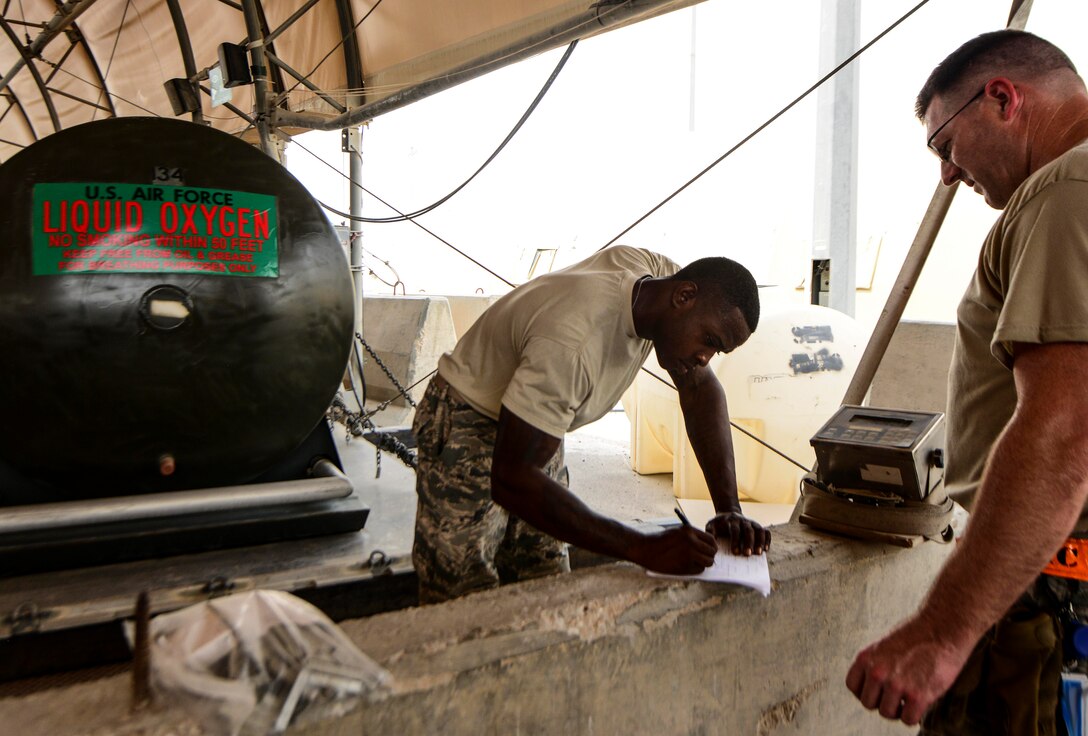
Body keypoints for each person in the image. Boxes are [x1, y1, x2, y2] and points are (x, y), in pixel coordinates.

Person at [846, 30, 1088, 733]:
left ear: (1003, 99)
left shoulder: (1066, 188)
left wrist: (942, 633)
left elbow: (1063, 431)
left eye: (945, 145)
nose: (948, 175)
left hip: (1046, 603)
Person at [411, 244, 770, 603]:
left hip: (535, 420)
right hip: (468, 416)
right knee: (462, 592)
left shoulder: (660, 282)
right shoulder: (574, 342)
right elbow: (512, 477)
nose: (704, 357)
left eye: (716, 350)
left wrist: (728, 509)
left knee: (544, 576)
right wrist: (642, 547)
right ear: (684, 296)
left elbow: (701, 389)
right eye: (708, 341)